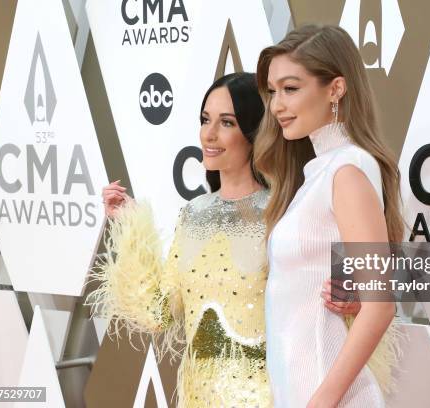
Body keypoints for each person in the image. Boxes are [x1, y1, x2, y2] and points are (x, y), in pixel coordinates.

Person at [88, 72, 359, 407]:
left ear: (254, 132)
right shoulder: (194, 214)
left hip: (270, 397)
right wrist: (129, 225)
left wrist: (355, 299)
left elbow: (330, 301)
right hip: (199, 397)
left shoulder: (285, 211)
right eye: (205, 120)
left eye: (227, 123)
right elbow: (157, 313)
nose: (209, 134)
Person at [254, 25, 404, 407]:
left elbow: (381, 304)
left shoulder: (347, 169)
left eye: (290, 89)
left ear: (335, 89)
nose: (276, 106)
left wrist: (322, 400)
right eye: (273, 91)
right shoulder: (318, 172)